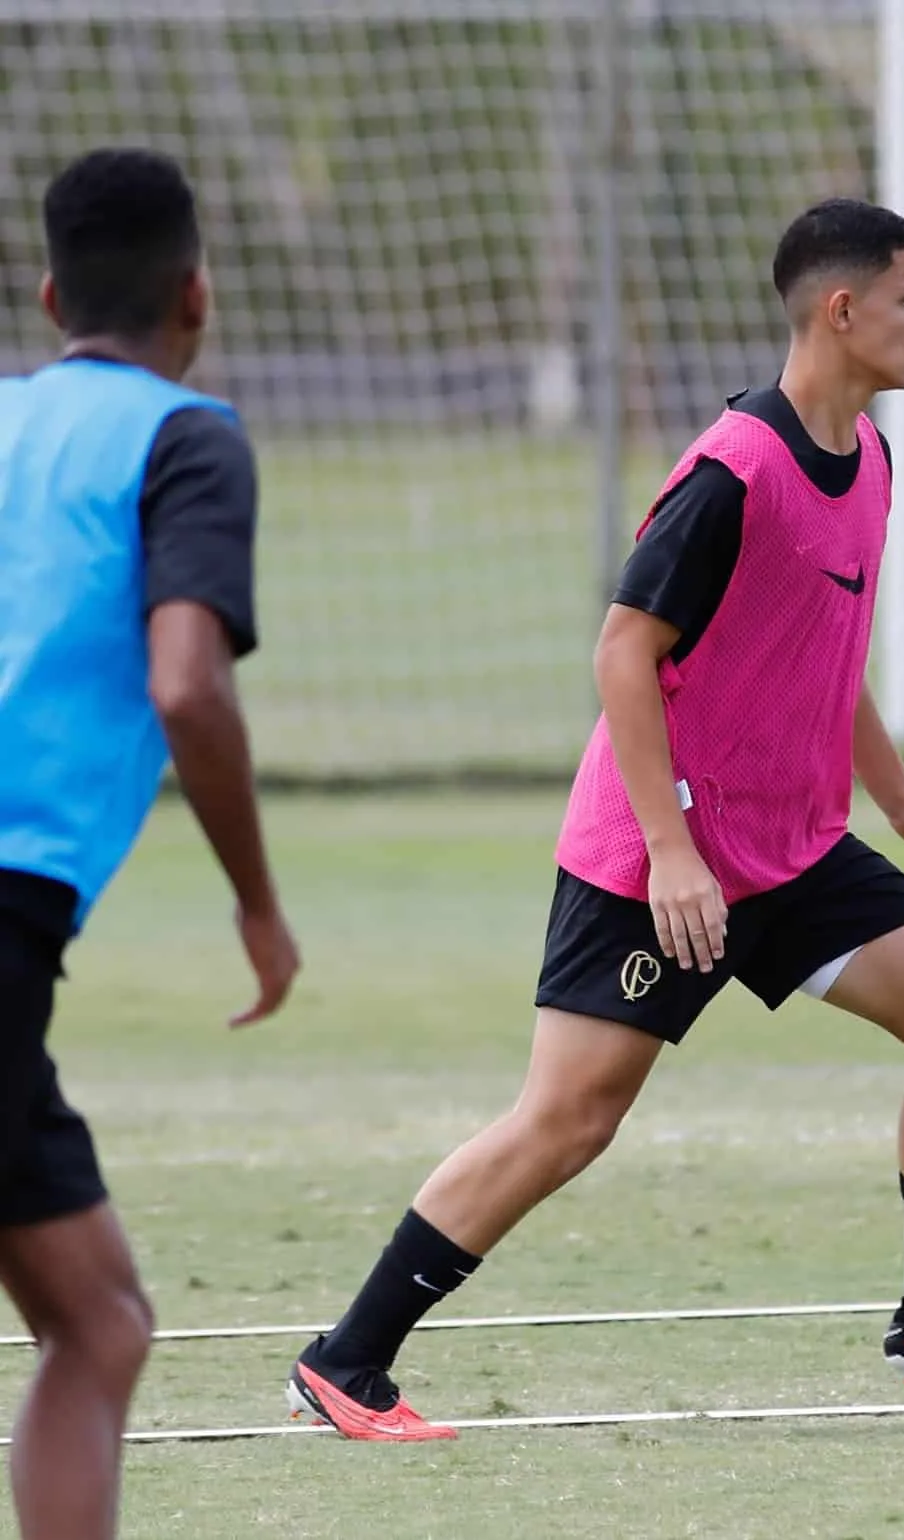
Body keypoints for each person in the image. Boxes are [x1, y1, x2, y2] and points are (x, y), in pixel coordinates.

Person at [287, 198, 904, 1441]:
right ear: (842, 309)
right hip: (654, 858)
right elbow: (623, 650)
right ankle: (347, 1360)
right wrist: (670, 851)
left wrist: (899, 800)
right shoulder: (733, 471)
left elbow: (820, 646)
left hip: (791, 848)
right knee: (570, 1120)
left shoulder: (870, 461)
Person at [0, 148, 299, 1539]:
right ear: (197, 295)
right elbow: (187, 684)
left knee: (102, 1316)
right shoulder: (188, 441)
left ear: (50, 297)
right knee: (98, 1323)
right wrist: (257, 903)